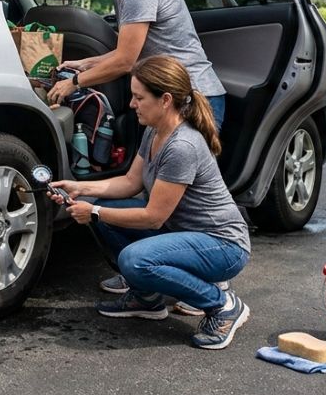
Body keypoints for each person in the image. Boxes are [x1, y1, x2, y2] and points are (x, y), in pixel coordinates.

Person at [47, 55, 251, 350]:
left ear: (165, 99)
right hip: (185, 234)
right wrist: (80, 188)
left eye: (139, 98)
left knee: (135, 260)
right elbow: (130, 182)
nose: (132, 104)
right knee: (102, 208)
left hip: (223, 245)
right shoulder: (155, 130)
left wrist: (93, 211)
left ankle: (222, 305)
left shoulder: (182, 146)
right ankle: (147, 298)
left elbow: (153, 217)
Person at [45, 0, 227, 129]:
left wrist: (73, 83)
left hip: (191, 99)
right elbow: (134, 51)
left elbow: (126, 61)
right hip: (169, 97)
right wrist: (85, 63)